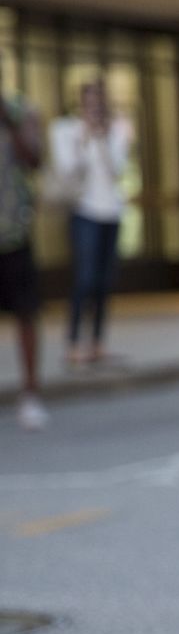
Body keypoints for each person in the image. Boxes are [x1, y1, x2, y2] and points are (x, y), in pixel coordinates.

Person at [48, 80, 133, 369]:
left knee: (104, 281)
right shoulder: (65, 129)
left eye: (99, 103)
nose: (95, 109)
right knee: (85, 279)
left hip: (112, 212)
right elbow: (67, 171)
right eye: (90, 103)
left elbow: (118, 171)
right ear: (81, 104)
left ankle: (97, 344)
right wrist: (84, 139)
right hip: (83, 211)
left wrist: (105, 138)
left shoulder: (117, 130)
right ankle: (73, 343)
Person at [0, 59, 46, 430]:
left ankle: (31, 395)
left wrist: (9, 120)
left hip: (14, 233)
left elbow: (34, 158)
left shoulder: (20, 110)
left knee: (26, 315)